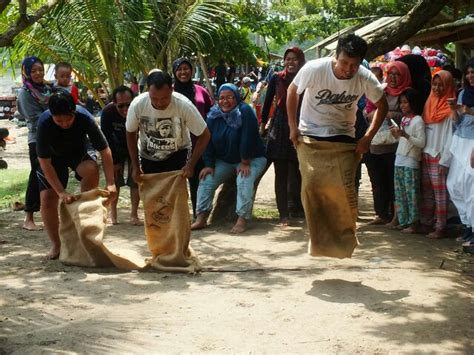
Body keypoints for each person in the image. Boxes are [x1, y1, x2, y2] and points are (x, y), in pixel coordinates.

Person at [286, 34, 388, 258]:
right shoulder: (314, 68)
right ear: (336, 56)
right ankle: (319, 241)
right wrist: (292, 127)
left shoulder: (364, 77)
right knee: (312, 187)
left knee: (342, 190)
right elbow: (292, 91)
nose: (348, 70)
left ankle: (344, 241)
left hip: (344, 137)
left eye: (354, 65)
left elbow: (382, 105)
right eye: (344, 63)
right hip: (311, 134)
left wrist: (367, 137)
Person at [36, 91, 116, 259]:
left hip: (77, 150)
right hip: (52, 157)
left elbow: (104, 150)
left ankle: (84, 234)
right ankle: (57, 245)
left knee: (91, 169)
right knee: (47, 198)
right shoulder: (43, 124)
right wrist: (61, 192)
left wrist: (110, 182)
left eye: (68, 119)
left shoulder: (85, 117)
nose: (64, 124)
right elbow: (45, 162)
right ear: (52, 116)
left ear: (74, 112)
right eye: (59, 120)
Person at [190, 84, 267, 233]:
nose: (225, 101)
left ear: (237, 98)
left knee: (244, 179)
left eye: (230, 97)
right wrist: (209, 164)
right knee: (206, 179)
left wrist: (245, 161)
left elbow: (247, 138)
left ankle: (242, 219)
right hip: (227, 159)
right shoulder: (213, 115)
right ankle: (201, 217)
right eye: (222, 98)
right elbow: (208, 141)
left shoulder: (245, 111)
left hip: (252, 157)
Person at [125, 70, 210, 184]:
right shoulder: (138, 104)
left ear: (172, 90)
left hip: (177, 154)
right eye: (154, 98)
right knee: (152, 195)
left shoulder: (184, 105)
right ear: (148, 91)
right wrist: (135, 166)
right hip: (148, 155)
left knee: (175, 195)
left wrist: (191, 164)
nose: (159, 103)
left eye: (164, 98)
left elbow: (205, 135)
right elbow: (130, 132)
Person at [260, 47, 306, 226]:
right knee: (281, 172)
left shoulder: (306, 77)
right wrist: (263, 125)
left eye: (294, 59)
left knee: (299, 170)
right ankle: (283, 214)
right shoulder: (276, 78)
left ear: (300, 60)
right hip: (279, 125)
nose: (290, 62)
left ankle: (299, 208)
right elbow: (267, 102)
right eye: (288, 59)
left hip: (301, 123)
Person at [365, 61, 412, 226]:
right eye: (390, 74)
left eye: (397, 74)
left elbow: (409, 113)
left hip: (396, 144)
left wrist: (388, 113)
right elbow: (368, 111)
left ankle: (396, 215)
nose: (392, 78)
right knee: (377, 180)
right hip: (376, 142)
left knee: (394, 181)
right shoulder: (381, 90)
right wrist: (380, 113)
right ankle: (381, 213)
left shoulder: (407, 93)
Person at [172, 57, 213, 219]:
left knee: (197, 180)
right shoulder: (170, 92)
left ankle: (199, 215)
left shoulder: (200, 90)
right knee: (177, 182)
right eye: (179, 69)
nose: (183, 72)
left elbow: (211, 114)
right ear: (175, 72)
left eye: (186, 68)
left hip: (199, 143)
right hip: (177, 144)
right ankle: (178, 216)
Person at [16, 56, 53, 231]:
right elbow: (34, 117)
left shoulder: (47, 88)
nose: (38, 73)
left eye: (40, 69)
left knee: (53, 174)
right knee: (37, 174)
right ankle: (29, 217)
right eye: (33, 70)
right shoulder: (25, 93)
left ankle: (49, 213)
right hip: (37, 139)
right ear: (27, 72)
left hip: (54, 137)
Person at [420, 70, 456, 239]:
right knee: (427, 192)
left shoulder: (450, 110)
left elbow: (450, 137)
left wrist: (445, 160)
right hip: (426, 153)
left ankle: (440, 227)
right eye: (434, 84)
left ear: (448, 86)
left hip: (439, 155)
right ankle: (427, 223)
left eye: (441, 84)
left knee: (440, 194)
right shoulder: (429, 103)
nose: (437, 87)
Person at [100, 85, 141, 226]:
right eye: (121, 106)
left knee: (135, 180)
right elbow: (105, 138)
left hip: (135, 149)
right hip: (115, 149)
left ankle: (134, 215)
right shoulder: (107, 112)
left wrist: (136, 162)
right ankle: (113, 215)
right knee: (114, 181)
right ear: (114, 104)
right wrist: (114, 161)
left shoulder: (139, 109)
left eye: (129, 104)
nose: (125, 109)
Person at [389, 88, 425, 233]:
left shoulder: (418, 120)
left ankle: (413, 223)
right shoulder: (404, 120)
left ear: (413, 103)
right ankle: (404, 221)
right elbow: (402, 140)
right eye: (401, 102)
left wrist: (405, 135)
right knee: (401, 193)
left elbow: (421, 143)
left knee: (411, 194)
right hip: (400, 159)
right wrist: (397, 134)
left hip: (411, 160)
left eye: (406, 102)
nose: (403, 105)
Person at [446, 58, 474, 245]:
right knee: (454, 185)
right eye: (469, 72)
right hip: (459, 141)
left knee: (471, 188)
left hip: (472, 143)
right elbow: (457, 122)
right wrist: (453, 110)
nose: (471, 76)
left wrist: (471, 112)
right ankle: (467, 224)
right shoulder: (463, 93)